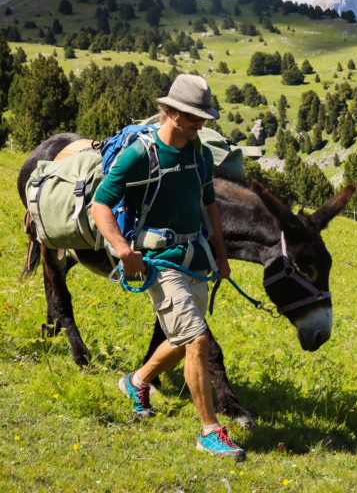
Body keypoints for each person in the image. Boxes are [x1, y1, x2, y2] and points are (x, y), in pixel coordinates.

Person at [90, 74, 244, 461]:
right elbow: (99, 204)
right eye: (194, 118)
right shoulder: (139, 154)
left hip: (195, 258)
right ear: (171, 111)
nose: (200, 126)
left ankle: (136, 381)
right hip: (159, 261)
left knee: (181, 340)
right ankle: (210, 431)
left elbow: (209, 206)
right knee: (197, 339)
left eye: (204, 119)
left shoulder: (200, 154)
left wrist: (221, 256)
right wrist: (124, 250)